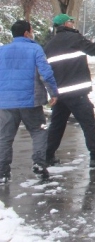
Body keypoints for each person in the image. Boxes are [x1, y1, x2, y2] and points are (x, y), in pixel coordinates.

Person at [43, 14, 95, 169]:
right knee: (88, 124)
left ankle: (47, 156)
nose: (73, 23)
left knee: (57, 126)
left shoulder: (49, 45)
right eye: (72, 21)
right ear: (66, 24)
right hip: (77, 94)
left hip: (60, 95)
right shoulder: (75, 39)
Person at [0, 20, 59, 183]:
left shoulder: (2, 50)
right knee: (38, 131)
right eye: (31, 30)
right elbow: (45, 73)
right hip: (30, 101)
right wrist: (53, 92)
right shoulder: (35, 49)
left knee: (5, 136)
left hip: (6, 102)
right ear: (26, 33)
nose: (32, 32)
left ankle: (2, 171)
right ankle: (39, 164)